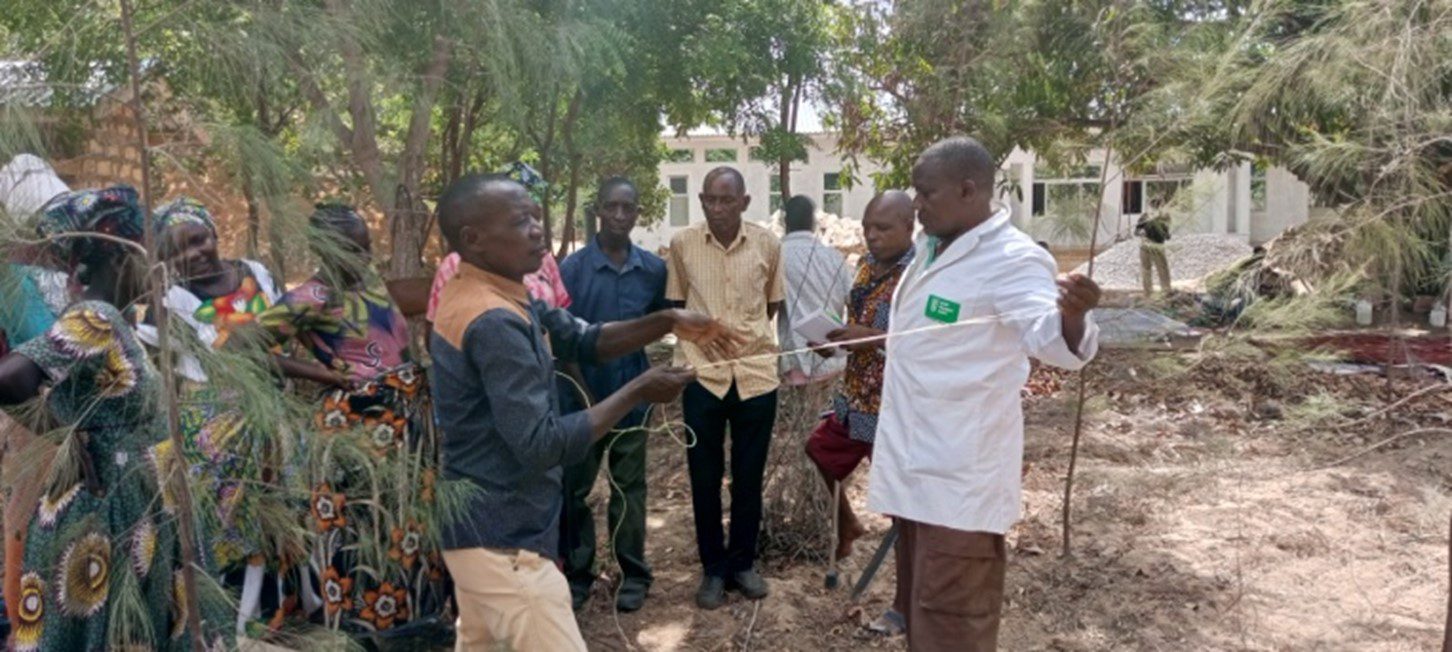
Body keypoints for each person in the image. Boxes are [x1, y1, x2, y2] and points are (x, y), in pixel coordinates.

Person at [429, 174, 737, 650]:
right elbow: (542, 444)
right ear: (473, 238)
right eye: (520, 221)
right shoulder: (492, 321)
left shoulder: (493, 292)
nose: (537, 229)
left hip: (475, 537)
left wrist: (668, 320)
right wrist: (638, 390)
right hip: (506, 545)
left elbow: (581, 338)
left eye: (536, 215)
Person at [868, 137, 1100, 651]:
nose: (917, 203)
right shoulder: (933, 246)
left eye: (926, 194)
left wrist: (1073, 314)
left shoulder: (1012, 260)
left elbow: (1051, 342)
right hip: (917, 471)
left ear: (969, 190)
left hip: (959, 483)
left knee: (954, 624)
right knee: (925, 617)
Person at [0, 185, 232, 650]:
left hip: (136, 510)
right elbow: (10, 380)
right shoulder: (97, 315)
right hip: (109, 516)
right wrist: (71, 436)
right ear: (123, 259)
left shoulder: (117, 319)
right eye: (152, 256)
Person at [251, 204, 446, 635]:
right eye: (353, 250)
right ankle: (362, 629)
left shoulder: (369, 281)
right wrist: (320, 372)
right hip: (356, 429)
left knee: (405, 523)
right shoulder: (311, 297)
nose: (364, 258)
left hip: (406, 425)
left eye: (366, 247)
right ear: (323, 248)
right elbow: (244, 346)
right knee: (361, 524)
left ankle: (410, 620)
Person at [665, 165, 786, 609]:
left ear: (744, 202)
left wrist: (742, 337)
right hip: (703, 377)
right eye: (709, 200)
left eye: (726, 200)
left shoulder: (768, 245)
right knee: (703, 478)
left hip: (755, 377)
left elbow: (771, 305)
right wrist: (704, 338)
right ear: (701, 201)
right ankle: (713, 570)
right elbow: (676, 307)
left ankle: (742, 564)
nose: (717, 208)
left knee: (749, 478)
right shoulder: (682, 245)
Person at [802, 190, 915, 634]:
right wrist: (833, 339)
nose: (872, 235)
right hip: (857, 399)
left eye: (883, 228)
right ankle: (848, 525)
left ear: (910, 225)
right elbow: (858, 329)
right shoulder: (868, 267)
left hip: (896, 409)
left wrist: (867, 337)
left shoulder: (920, 276)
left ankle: (903, 607)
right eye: (868, 226)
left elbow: (924, 340)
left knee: (903, 513)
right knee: (819, 450)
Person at [555, 177, 668, 613]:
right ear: (598, 210)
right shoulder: (574, 270)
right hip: (581, 399)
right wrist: (585, 398)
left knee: (630, 487)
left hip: (634, 396)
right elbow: (563, 342)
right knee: (576, 490)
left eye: (628, 208)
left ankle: (633, 573)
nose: (620, 216)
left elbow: (655, 323)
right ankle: (578, 574)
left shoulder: (652, 269)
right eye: (612, 207)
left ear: (638, 213)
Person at [778, 194, 852, 386]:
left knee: (801, 417)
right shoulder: (835, 257)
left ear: (785, 221)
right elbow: (853, 302)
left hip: (796, 364)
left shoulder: (777, 257)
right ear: (813, 222)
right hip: (834, 361)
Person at [1134, 202, 1172, 295]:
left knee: (1162, 268)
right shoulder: (1145, 217)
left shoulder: (1164, 217)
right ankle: (1148, 292)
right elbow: (1136, 231)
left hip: (1157, 245)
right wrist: (1141, 232)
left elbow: (1166, 234)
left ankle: (1166, 291)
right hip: (1145, 244)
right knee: (1146, 269)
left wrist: (1167, 235)